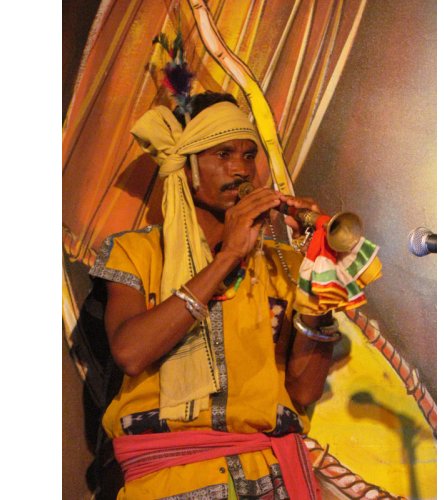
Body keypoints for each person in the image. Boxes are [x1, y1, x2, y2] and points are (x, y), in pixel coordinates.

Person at [90, 92, 339, 499]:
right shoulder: (136, 252)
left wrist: (320, 280)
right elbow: (130, 352)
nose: (241, 169)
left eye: (248, 156)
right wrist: (228, 258)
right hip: (170, 481)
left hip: (271, 477)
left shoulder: (280, 265)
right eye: (223, 154)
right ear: (187, 166)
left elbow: (304, 391)